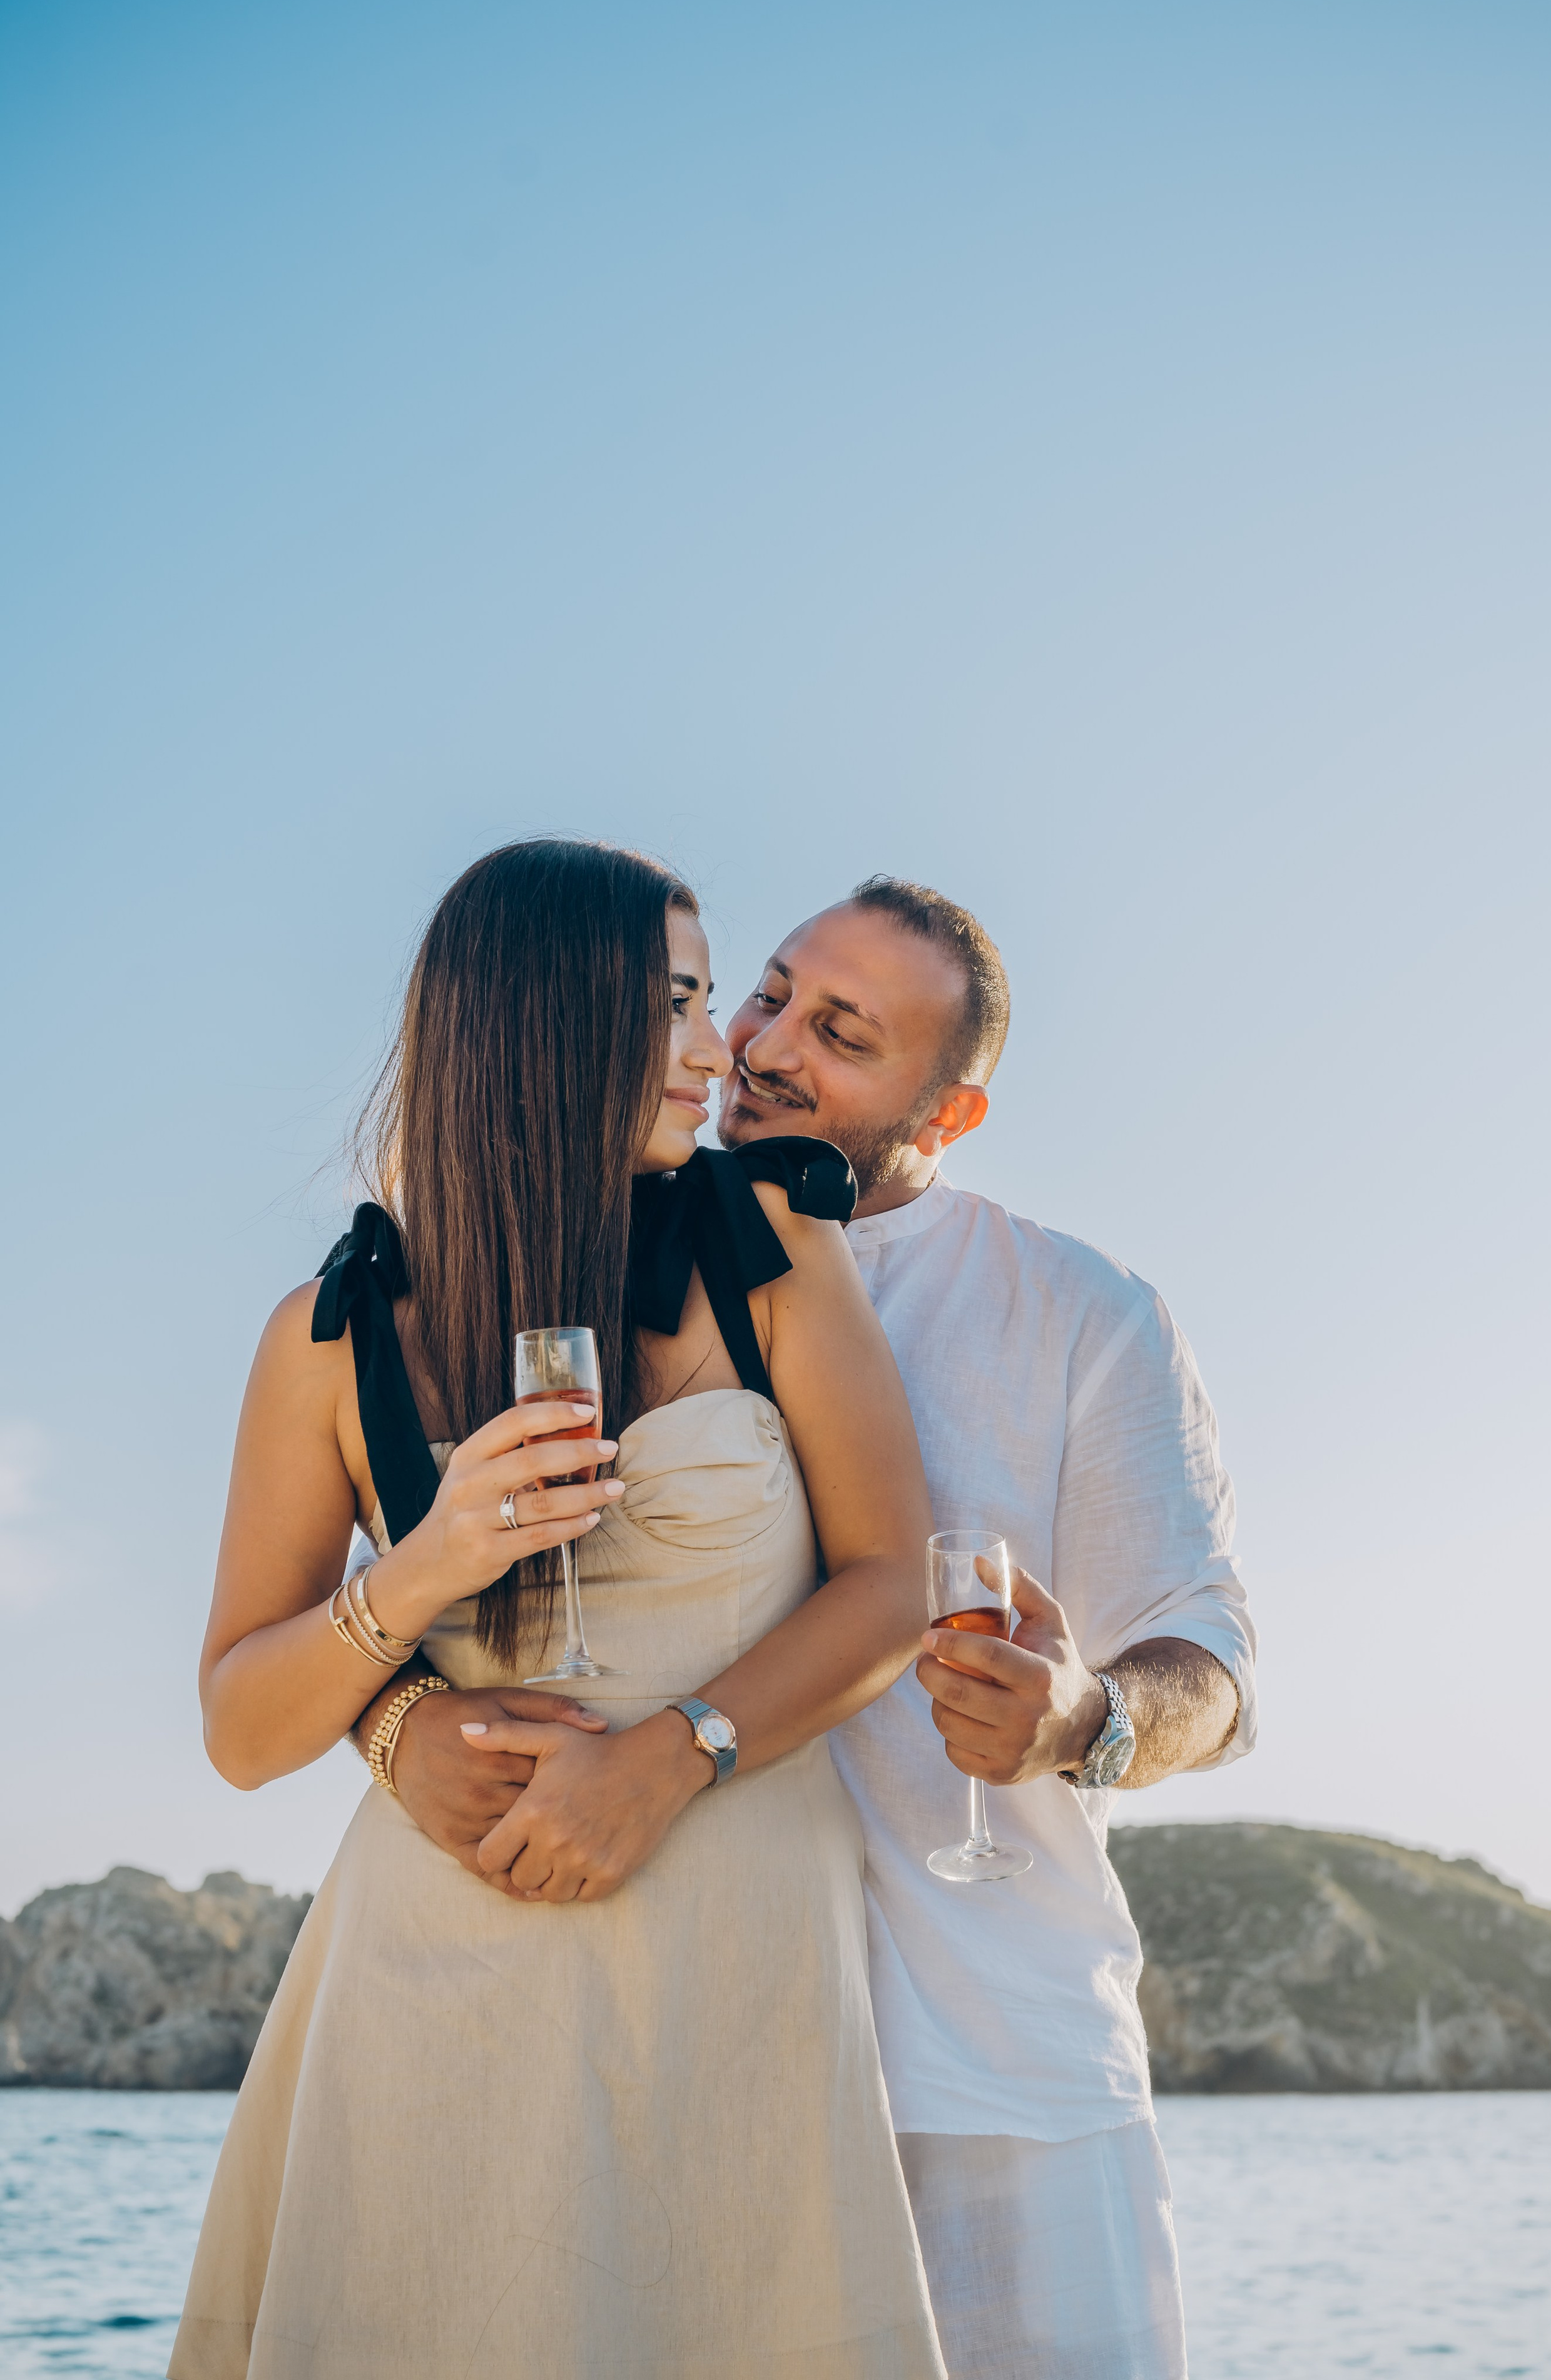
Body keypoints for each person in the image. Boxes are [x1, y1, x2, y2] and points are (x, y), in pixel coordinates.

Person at [368, 872, 1258, 2380]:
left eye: (842, 1033)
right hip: (667, 2051)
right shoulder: (570, 1260)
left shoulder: (1079, 1310)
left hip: (989, 2068)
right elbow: (377, 1595)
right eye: (767, 994)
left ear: (947, 1112)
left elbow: (1212, 1666)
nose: (766, 1045)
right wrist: (389, 1722)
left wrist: (1083, 1721)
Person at [171, 840, 947, 2379]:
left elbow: (892, 1586)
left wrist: (677, 1753)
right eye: (672, 1001)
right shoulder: (326, 1339)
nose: (717, 1048)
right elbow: (241, 1731)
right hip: (435, 1973)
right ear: (538, 1021)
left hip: (735, 1967)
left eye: (708, 998)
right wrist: (411, 1605)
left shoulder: (768, 1246)